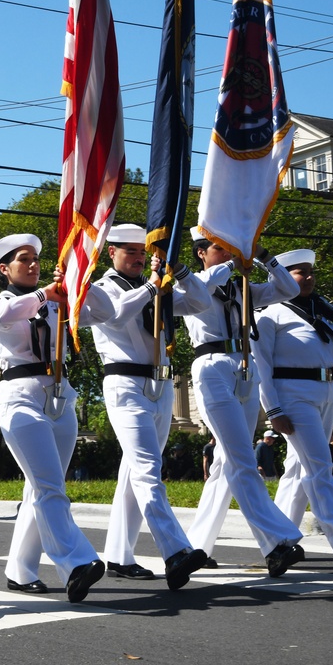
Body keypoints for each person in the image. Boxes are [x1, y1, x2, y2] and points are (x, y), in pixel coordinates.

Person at [0, 233, 112, 602]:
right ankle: (76, 561)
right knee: (50, 486)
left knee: (41, 487)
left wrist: (79, 277)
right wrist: (45, 294)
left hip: (59, 397)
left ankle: (20, 570)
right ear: (5, 268)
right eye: (23, 259)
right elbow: (3, 316)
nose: (33, 264)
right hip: (20, 398)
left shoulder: (57, 304)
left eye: (36, 259)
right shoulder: (0, 301)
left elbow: (106, 313)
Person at [91, 223, 212, 589]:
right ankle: (174, 549)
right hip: (125, 383)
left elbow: (202, 303)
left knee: (133, 474)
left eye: (143, 252)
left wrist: (182, 270)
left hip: (160, 384)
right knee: (147, 469)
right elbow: (116, 314)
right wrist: (150, 286)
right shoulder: (101, 289)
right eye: (131, 252)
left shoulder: (159, 287)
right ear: (111, 253)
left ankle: (119, 556)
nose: (140, 258)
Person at [182, 234, 304, 575]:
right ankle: (277, 543)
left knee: (226, 462)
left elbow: (288, 290)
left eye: (230, 247)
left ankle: (195, 547)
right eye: (219, 247)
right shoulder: (192, 284)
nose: (229, 253)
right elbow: (200, 286)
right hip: (211, 367)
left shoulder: (242, 288)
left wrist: (263, 255)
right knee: (241, 458)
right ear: (201, 253)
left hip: (245, 367)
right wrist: (234, 262)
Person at [252, 249, 333, 569]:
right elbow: (262, 368)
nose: (308, 277)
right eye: (299, 272)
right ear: (279, 276)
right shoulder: (269, 313)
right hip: (292, 394)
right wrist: (273, 410)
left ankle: (276, 544)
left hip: (327, 391)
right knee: (319, 465)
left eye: (310, 272)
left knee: (299, 469)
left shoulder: (327, 312)